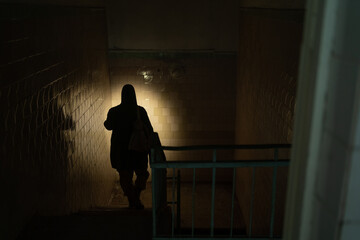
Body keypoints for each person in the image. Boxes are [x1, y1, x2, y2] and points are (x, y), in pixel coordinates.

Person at [104, 84, 153, 209]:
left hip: (121, 151)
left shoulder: (114, 111)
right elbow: (149, 130)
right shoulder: (140, 111)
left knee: (125, 176)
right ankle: (135, 197)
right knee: (142, 174)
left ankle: (133, 200)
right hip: (138, 150)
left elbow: (108, 126)